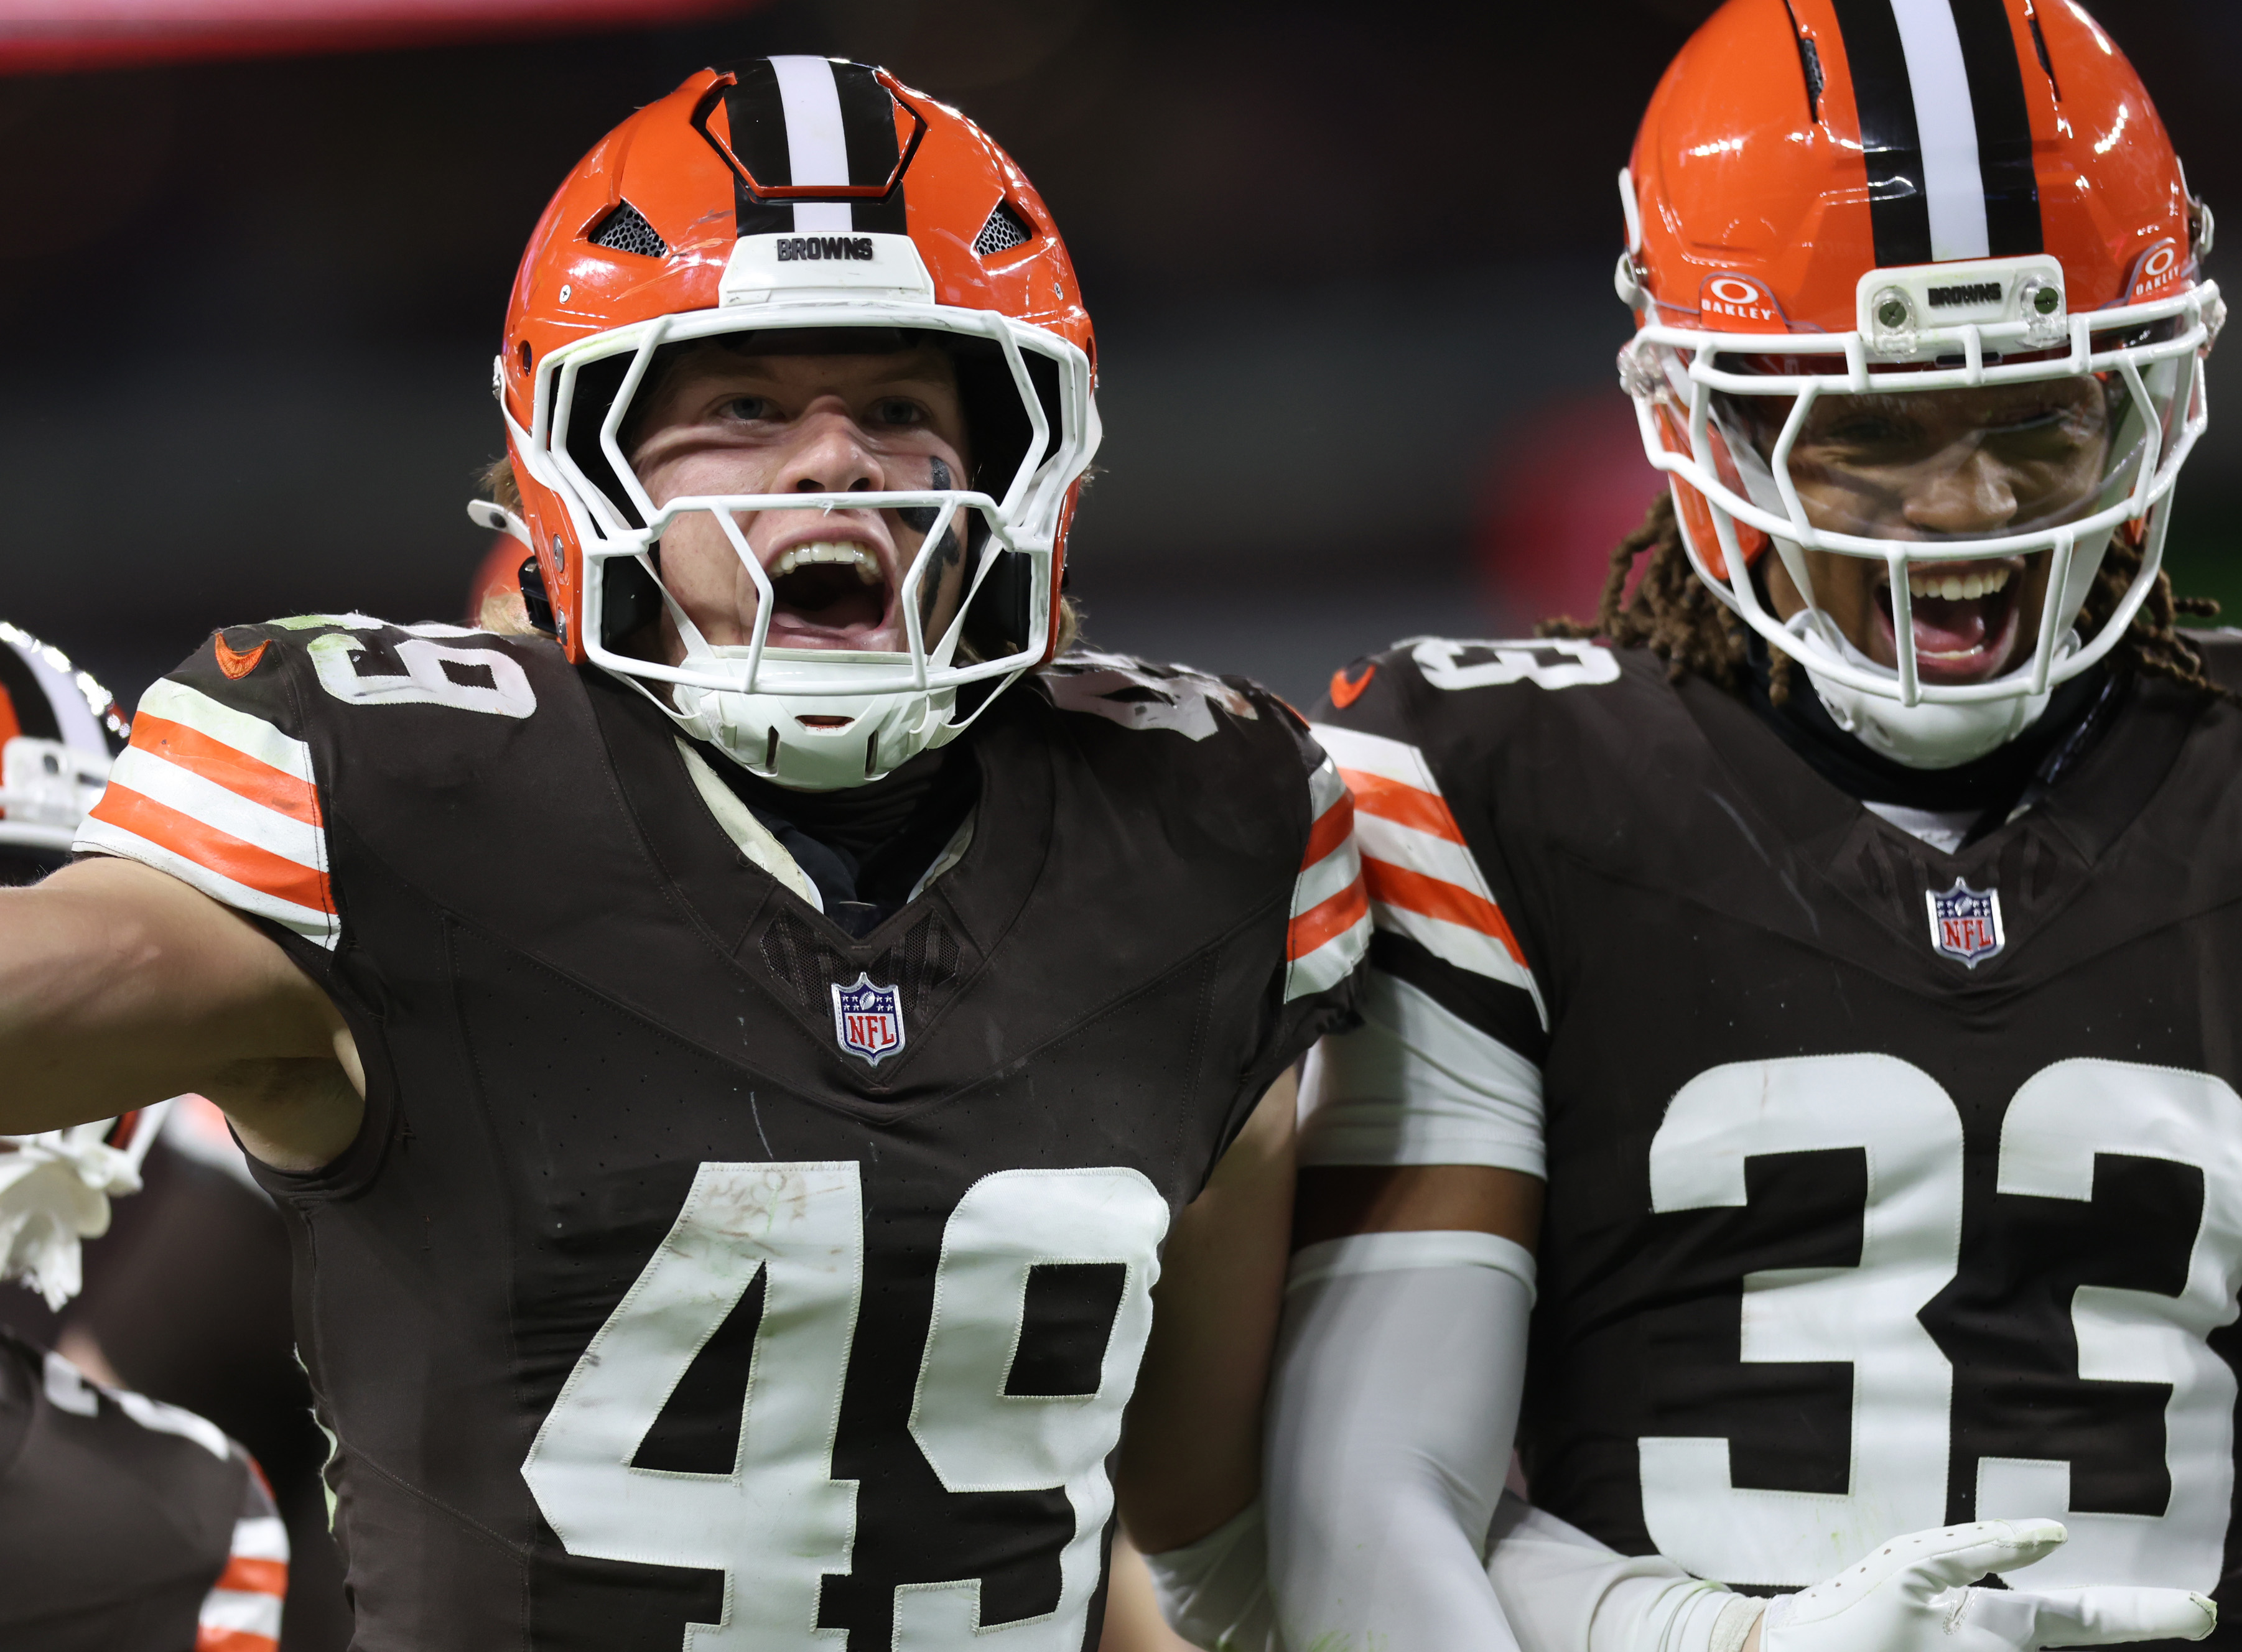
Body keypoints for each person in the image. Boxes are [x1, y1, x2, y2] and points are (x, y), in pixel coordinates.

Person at [0, 56, 1367, 1651]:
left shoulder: (1194, 829)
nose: (834, 462)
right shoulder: (403, 792)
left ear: (1023, 464)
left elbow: (1198, 1514)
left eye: (902, 408)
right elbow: (70, 978)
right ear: (580, 466)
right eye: (743, 406)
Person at [1255, 4, 2237, 1652]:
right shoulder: (1494, 785)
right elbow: (1356, 1499)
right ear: (1704, 425)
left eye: (2035, 416)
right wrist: (1726, 1644)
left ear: (2141, 402)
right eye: (1868, 433)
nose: (1965, 508)